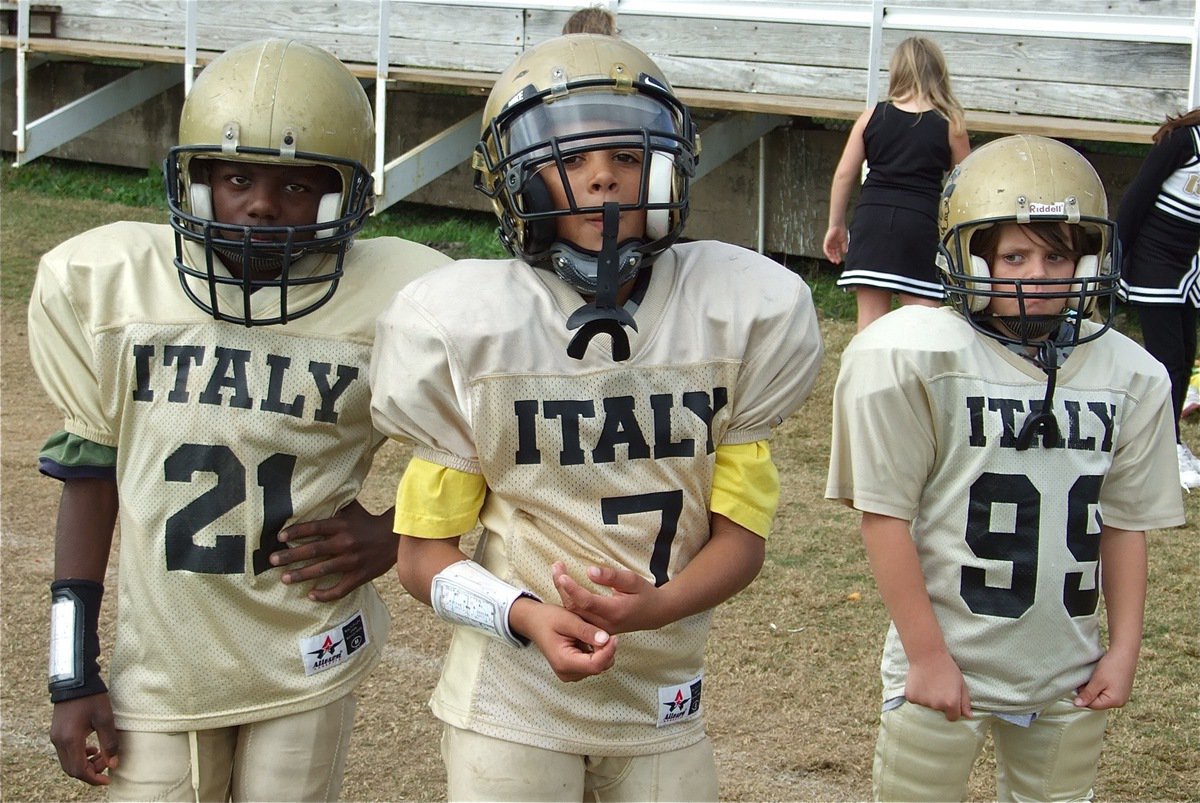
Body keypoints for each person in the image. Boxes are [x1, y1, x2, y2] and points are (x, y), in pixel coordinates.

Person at [370, 33, 823, 801]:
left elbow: (742, 541)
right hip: (514, 702)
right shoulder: (471, 326)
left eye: (624, 156)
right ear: (517, 181)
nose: (604, 179)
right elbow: (422, 560)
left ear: (667, 167)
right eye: (571, 159)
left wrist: (662, 605)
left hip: (660, 697)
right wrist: (523, 616)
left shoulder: (738, 311)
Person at [29, 39, 449, 800]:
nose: (260, 204)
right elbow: (88, 481)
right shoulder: (116, 288)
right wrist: (70, 669)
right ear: (195, 184)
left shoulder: (397, 298)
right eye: (237, 177)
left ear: (341, 198)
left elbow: (473, 441)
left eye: (296, 186)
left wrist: (395, 533)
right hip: (164, 665)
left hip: (305, 650)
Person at [826, 135, 1185, 801]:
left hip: (1066, 666)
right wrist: (929, 656)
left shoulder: (1127, 373)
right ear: (972, 259)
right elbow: (886, 517)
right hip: (947, 654)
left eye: (1057, 255)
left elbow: (1125, 524)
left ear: (1087, 263)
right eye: (1015, 254)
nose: (1040, 274)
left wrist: (1125, 646)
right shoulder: (918, 356)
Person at [823, 36, 971, 331]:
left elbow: (843, 175)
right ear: (939, 73)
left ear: (896, 72)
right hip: (919, 227)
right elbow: (966, 184)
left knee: (869, 326)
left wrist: (836, 225)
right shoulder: (951, 124)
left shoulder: (871, 117)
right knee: (922, 326)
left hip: (871, 223)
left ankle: (865, 375)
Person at [1116, 108, 1200, 490]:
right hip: (1154, 259)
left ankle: (1169, 442)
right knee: (1168, 361)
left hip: (1186, 265)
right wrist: (1113, 259)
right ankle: (1165, 452)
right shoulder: (1185, 140)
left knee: (1183, 356)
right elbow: (1136, 198)